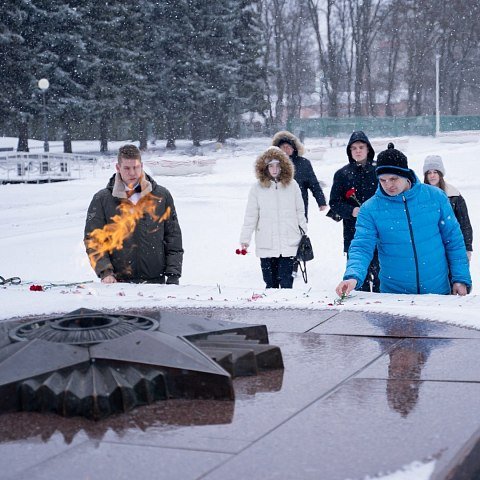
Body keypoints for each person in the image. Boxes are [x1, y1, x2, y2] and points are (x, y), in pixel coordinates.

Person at [336, 143, 471, 297]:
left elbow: (453, 240)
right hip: (395, 296)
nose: (388, 185)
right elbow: (362, 246)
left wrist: (460, 278)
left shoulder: (435, 197)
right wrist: (353, 276)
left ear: (406, 175)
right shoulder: (370, 209)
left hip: (437, 292)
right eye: (383, 180)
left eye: (393, 178)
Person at [84, 144, 183, 284]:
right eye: (127, 168)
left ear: (141, 166)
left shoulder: (161, 195)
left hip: (156, 281)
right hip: (117, 283)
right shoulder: (102, 199)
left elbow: (173, 237)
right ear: (118, 168)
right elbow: (94, 240)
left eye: (136, 167)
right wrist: (105, 272)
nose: (132, 173)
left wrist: (173, 274)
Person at [239, 146, 307, 289]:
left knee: (287, 283)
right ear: (265, 167)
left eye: (277, 165)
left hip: (289, 241)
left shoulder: (292, 185)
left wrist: (302, 232)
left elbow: (300, 210)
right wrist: (245, 240)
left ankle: (287, 310)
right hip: (266, 242)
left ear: (283, 166)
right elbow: (251, 215)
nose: (274, 169)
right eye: (271, 166)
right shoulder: (257, 188)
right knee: (270, 284)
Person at [328, 130, 380, 292]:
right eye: (354, 148)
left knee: (382, 275)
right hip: (354, 231)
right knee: (358, 276)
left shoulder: (379, 171)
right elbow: (334, 203)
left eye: (361, 147)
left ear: (368, 149)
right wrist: (352, 210)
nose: (358, 151)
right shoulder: (342, 174)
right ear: (350, 151)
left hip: (380, 230)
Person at [423, 154, 473, 261]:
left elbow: (464, 224)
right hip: (429, 248)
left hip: (452, 245)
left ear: (440, 174)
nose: (432, 175)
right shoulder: (420, 196)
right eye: (429, 172)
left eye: (435, 172)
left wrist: (467, 248)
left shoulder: (454, 194)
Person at [271, 130, 327, 220]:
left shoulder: (304, 163)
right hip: (277, 207)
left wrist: (321, 201)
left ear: (294, 149)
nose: (286, 149)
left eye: (289, 147)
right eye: (283, 147)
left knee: (299, 231)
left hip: (299, 206)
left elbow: (314, 184)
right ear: (278, 149)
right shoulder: (272, 164)